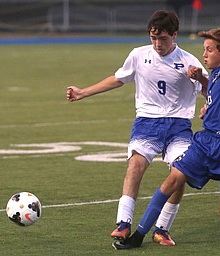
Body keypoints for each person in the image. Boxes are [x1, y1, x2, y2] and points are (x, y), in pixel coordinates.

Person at [112, 27, 220, 250]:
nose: (204, 55)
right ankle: (138, 235)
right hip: (205, 142)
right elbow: (216, 97)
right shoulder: (213, 73)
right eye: (204, 49)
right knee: (172, 180)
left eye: (209, 50)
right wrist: (208, 108)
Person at [66, 10, 209, 246]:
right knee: (135, 164)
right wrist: (83, 92)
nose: (157, 44)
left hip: (179, 126)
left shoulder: (190, 62)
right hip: (147, 123)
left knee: (178, 174)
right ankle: (123, 223)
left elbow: (210, 93)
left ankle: (162, 229)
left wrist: (202, 80)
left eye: (163, 39)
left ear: (174, 35)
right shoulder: (138, 55)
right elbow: (118, 78)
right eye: (153, 38)